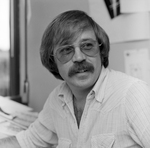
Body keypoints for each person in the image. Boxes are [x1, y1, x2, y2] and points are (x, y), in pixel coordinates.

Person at [1, 10, 150, 148]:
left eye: (87, 46)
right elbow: (28, 141)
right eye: (66, 50)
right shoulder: (57, 99)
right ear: (53, 61)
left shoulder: (132, 93)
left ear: (100, 50)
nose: (79, 57)